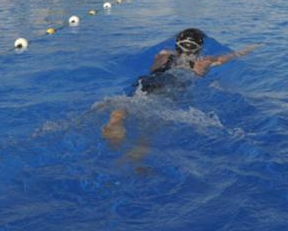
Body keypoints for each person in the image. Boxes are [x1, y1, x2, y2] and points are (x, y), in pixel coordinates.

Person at [102, 28, 258, 146]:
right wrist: (248, 49)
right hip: (173, 82)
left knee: (133, 99)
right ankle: (140, 148)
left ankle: (117, 117)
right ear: (199, 48)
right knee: (153, 120)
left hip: (148, 79)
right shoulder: (203, 61)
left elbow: (155, 66)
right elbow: (230, 56)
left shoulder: (163, 54)